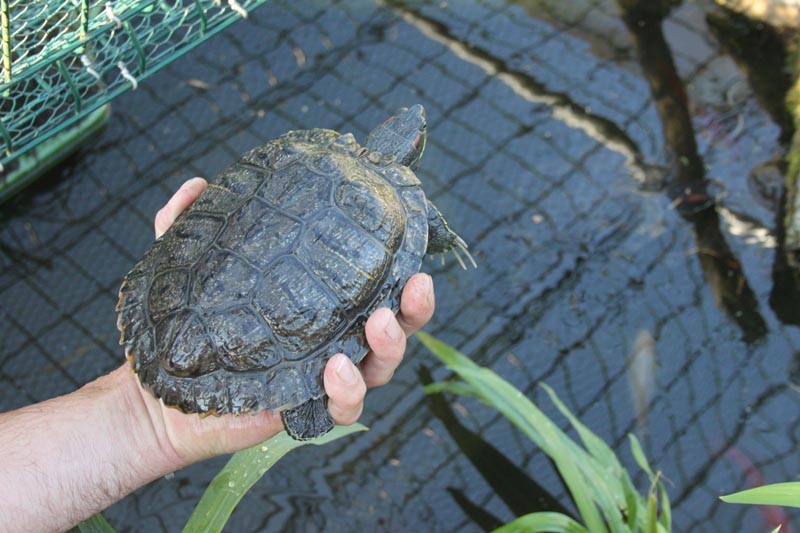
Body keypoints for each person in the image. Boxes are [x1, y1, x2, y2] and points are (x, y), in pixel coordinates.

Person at [0, 178, 436, 532]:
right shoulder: (396, 210)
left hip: (181, 320)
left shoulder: (304, 154)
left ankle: (297, 389)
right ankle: (300, 391)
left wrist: (144, 419)